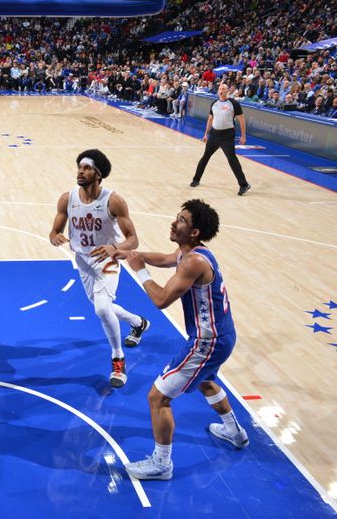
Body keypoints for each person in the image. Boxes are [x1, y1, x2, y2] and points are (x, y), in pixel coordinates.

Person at [119, 199, 249, 480]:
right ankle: (234, 432)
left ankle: (161, 464)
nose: (173, 223)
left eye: (181, 220)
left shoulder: (193, 262)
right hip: (223, 335)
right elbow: (166, 259)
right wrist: (129, 254)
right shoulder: (193, 252)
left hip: (207, 341)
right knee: (205, 380)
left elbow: (162, 299)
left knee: (157, 397)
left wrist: (139, 271)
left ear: (194, 232)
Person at [49, 149, 150, 388]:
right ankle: (138, 322)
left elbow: (132, 239)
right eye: (79, 167)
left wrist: (114, 247)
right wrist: (54, 236)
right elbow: (55, 230)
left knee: (102, 309)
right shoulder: (67, 198)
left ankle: (118, 360)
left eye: (86, 168)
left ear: (98, 174)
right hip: (82, 262)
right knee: (101, 307)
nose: (80, 171)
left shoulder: (113, 201)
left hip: (107, 261)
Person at [190, 83, 251, 196]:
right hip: (214, 135)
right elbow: (210, 119)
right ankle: (196, 180)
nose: (221, 90)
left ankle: (244, 184)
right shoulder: (214, 104)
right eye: (219, 88)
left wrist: (243, 136)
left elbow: (242, 120)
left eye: (223, 89)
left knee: (232, 159)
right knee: (205, 157)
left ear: (228, 91)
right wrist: (205, 134)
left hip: (227, 136)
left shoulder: (233, 103)